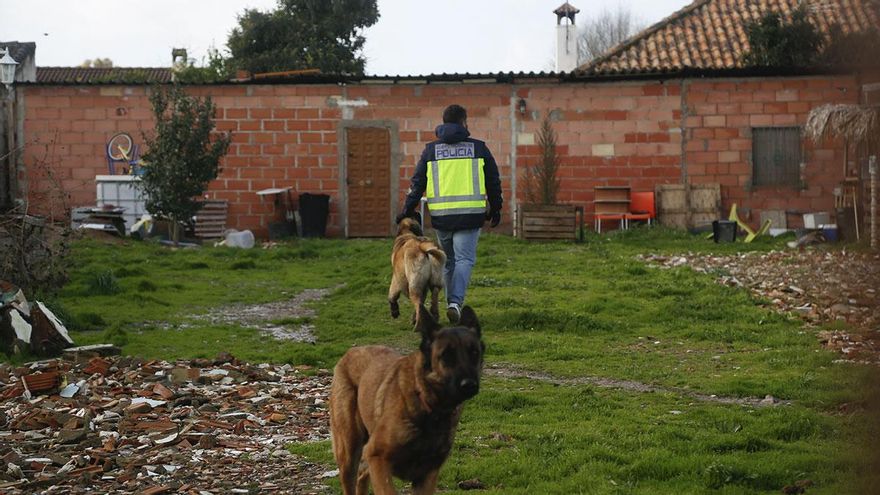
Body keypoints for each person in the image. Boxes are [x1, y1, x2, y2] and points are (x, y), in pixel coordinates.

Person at [395, 104, 503, 324]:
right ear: (463, 122)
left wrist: (407, 209)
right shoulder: (479, 148)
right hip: (470, 216)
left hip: (442, 218)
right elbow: (493, 181)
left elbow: (417, 184)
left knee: (448, 261)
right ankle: (455, 303)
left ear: (444, 123)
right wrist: (496, 206)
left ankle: (447, 304)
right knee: (464, 259)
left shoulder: (431, 151)